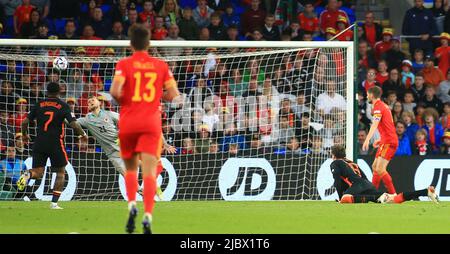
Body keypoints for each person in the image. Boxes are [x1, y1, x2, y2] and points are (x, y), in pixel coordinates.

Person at [110, 24, 182, 234]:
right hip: (151, 123)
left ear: (131, 43)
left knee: (132, 170)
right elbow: (174, 95)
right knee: (150, 173)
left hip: (129, 121)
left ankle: (132, 205)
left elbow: (114, 92)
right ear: (149, 43)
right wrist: (159, 97)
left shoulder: (124, 64)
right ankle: (148, 215)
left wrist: (128, 101)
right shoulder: (160, 66)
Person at [16, 82, 88, 209]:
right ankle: (54, 203)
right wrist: (82, 134)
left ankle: (27, 174)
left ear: (47, 91)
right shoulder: (63, 105)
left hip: (39, 142)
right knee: (60, 172)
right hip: (56, 143)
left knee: (37, 172)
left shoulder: (39, 104)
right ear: (59, 92)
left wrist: (24, 134)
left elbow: (25, 121)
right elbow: (74, 124)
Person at [330, 145, 438, 204]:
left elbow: (337, 181)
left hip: (358, 185)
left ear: (334, 155)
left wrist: (340, 197)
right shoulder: (350, 162)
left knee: (345, 199)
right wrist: (369, 186)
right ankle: (426, 191)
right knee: (394, 199)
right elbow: (363, 177)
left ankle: (375, 198)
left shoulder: (335, 163)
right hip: (366, 184)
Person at [362, 86, 397, 194]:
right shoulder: (383, 106)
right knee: (375, 167)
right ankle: (372, 193)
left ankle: (393, 195)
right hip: (386, 140)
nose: (367, 96)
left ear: (372, 95)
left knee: (380, 168)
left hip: (389, 141)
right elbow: (388, 125)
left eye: (368, 94)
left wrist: (367, 139)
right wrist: (381, 139)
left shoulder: (378, 107)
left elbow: (375, 124)